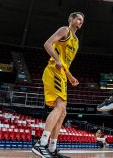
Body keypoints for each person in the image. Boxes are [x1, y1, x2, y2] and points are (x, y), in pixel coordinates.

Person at [32, 12, 84, 158]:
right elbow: (47, 44)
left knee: (63, 112)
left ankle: (52, 148)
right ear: (71, 19)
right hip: (53, 71)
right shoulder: (65, 30)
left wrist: (70, 76)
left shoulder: (76, 41)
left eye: (82, 20)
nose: (80, 21)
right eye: (78, 18)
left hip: (62, 74)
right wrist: (56, 59)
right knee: (59, 107)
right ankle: (40, 144)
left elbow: (65, 63)